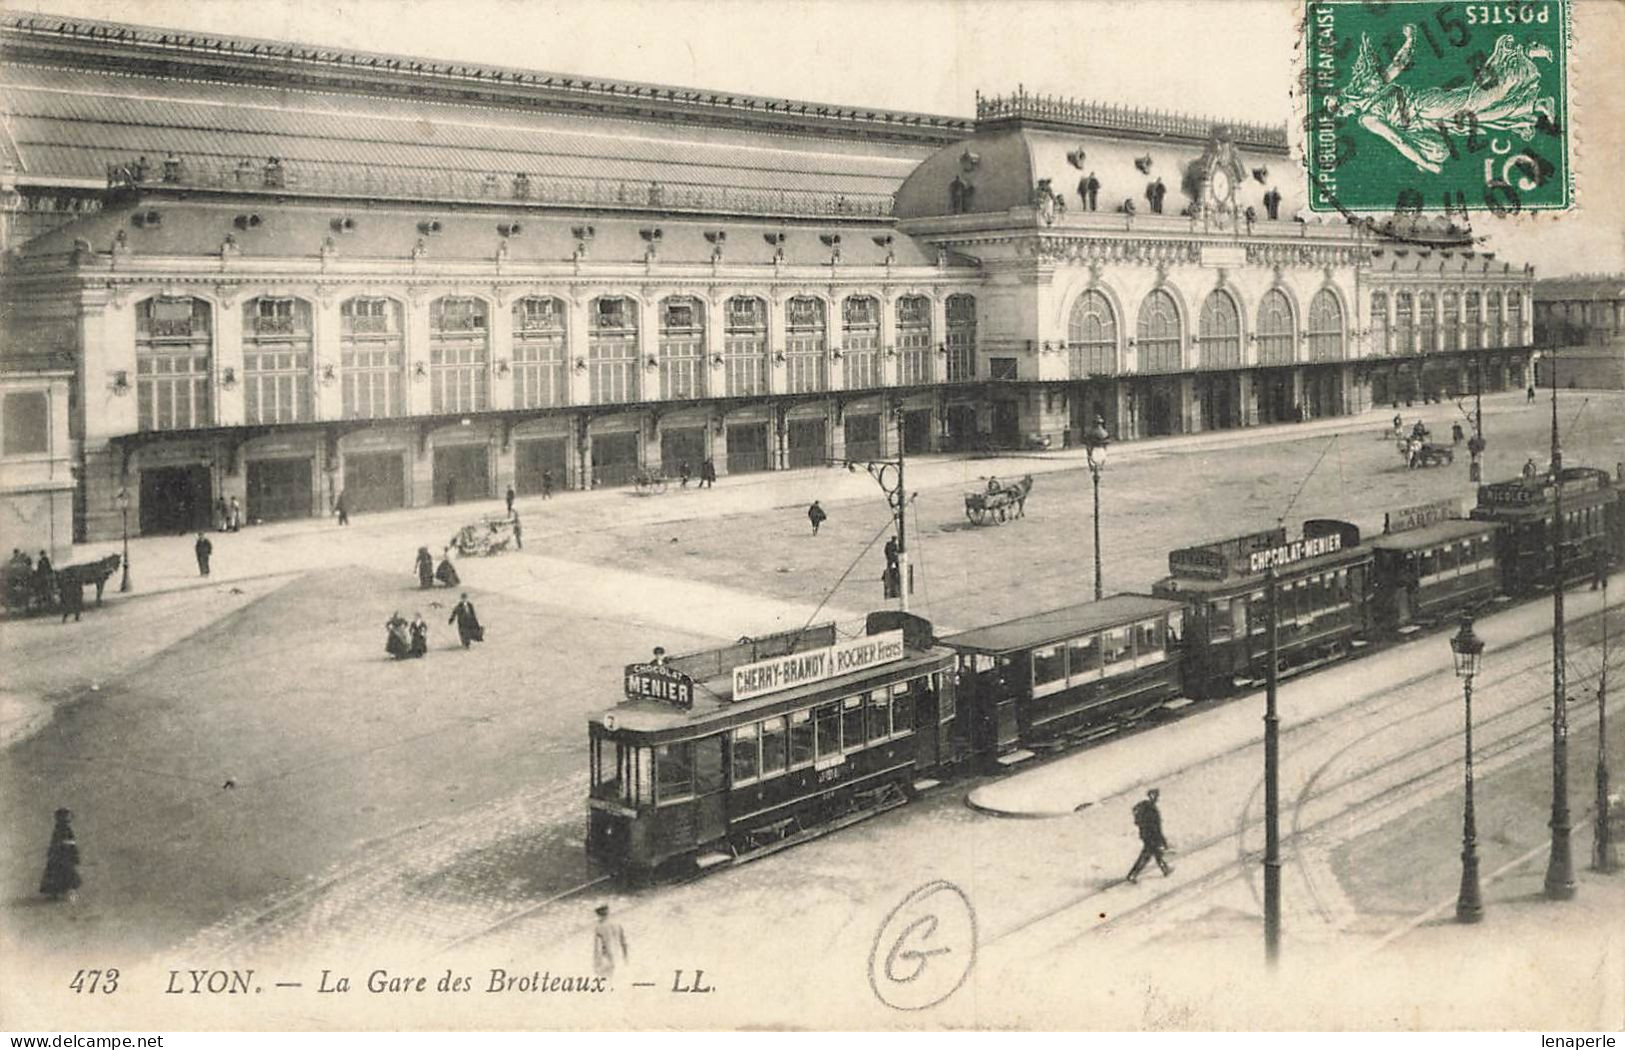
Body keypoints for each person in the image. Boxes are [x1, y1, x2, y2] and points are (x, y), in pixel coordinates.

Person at [1126, 788, 1173, 883]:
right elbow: (1156, 827)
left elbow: (1136, 812)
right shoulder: (1151, 809)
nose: (1157, 798)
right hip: (1152, 836)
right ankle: (1132, 875)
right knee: (1146, 856)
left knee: (1156, 854)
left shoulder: (1144, 806)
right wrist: (1162, 840)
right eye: (1156, 796)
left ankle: (1165, 869)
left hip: (1146, 835)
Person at [39, 808, 81, 902]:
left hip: (61, 856)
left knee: (61, 875)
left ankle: (59, 894)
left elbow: (65, 843)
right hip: (63, 856)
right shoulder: (63, 829)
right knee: (65, 874)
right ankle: (61, 894)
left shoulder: (61, 829)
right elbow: (70, 843)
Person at [592, 903, 629, 979]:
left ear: (598, 914)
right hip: (619, 958)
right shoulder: (617, 924)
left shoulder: (599, 927)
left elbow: (598, 948)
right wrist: (626, 958)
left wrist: (596, 964)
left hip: (607, 960)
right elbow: (624, 943)